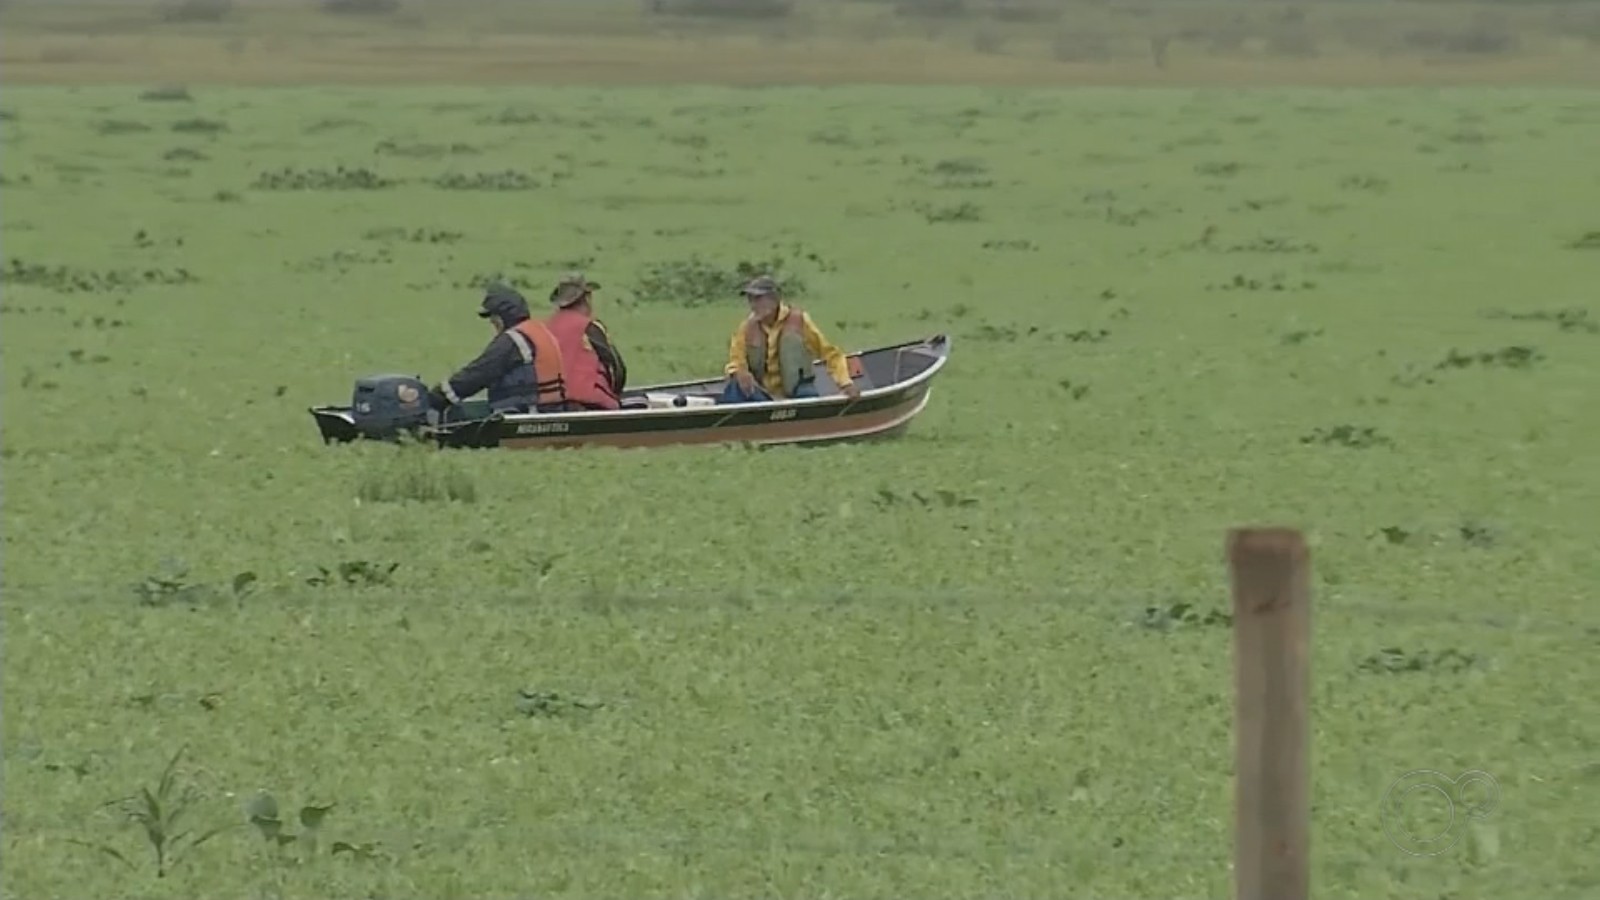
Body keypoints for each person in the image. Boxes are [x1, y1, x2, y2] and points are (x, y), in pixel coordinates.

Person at [427, 275, 626, 416]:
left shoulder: (533, 332)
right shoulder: (539, 330)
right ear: (587, 298)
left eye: (494, 319)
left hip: (535, 410)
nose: (493, 325)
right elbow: (616, 367)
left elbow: (478, 373)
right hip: (569, 406)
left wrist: (438, 397)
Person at [721, 275, 860, 404]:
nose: (752, 305)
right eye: (750, 300)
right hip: (763, 393)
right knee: (734, 388)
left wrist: (845, 383)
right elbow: (736, 359)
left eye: (757, 299)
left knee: (807, 399)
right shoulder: (746, 327)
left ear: (774, 299)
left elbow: (831, 354)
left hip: (798, 390)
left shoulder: (799, 321)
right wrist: (740, 372)